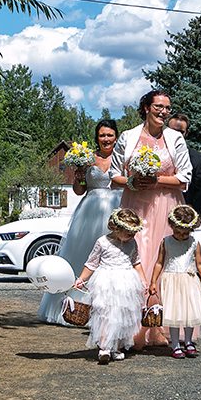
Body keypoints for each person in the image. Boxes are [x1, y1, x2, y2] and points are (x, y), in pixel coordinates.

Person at [110, 90, 193, 348]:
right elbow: (114, 177)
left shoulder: (175, 138)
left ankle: (163, 327)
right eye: (158, 106)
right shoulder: (128, 137)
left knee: (163, 265)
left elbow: (185, 178)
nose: (163, 111)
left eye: (167, 107)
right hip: (135, 207)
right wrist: (133, 182)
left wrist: (156, 180)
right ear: (146, 108)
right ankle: (130, 329)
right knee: (134, 264)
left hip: (166, 207)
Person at [38, 120, 123, 324]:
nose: (106, 139)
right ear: (97, 138)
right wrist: (79, 176)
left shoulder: (122, 159)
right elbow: (79, 190)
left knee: (111, 259)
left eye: (110, 135)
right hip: (90, 210)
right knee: (82, 256)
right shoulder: (87, 159)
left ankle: (108, 309)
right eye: (102, 135)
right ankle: (74, 308)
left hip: (116, 208)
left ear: (116, 137)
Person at [74, 209, 148, 364]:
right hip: (106, 281)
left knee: (122, 315)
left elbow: (136, 261)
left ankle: (118, 347)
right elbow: (92, 263)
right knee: (106, 314)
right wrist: (81, 278)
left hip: (126, 281)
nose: (132, 237)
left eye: (134, 234)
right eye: (129, 233)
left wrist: (143, 280)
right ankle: (104, 347)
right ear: (116, 229)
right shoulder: (102, 242)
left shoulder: (132, 243)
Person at [149, 204, 201, 358]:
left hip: (189, 280)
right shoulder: (166, 242)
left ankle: (188, 341)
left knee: (189, 312)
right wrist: (153, 282)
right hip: (171, 280)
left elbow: (199, 264)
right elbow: (159, 262)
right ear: (171, 227)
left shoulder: (193, 243)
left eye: (185, 233)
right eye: (177, 232)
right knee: (174, 313)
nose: (181, 236)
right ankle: (175, 345)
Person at [167, 114, 201, 219]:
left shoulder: (196, 158)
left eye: (180, 132)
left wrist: (197, 218)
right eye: (172, 130)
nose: (176, 135)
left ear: (186, 133)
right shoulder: (154, 153)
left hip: (183, 216)